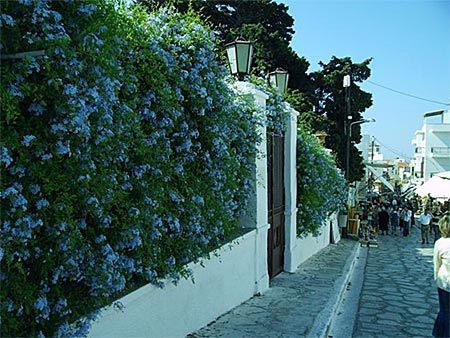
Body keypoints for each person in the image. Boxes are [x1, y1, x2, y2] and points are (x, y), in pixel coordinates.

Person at [432, 212, 450, 338]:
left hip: (443, 281)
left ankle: (439, 333)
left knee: (444, 310)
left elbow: (436, 263)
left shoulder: (440, 243)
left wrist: (436, 278)